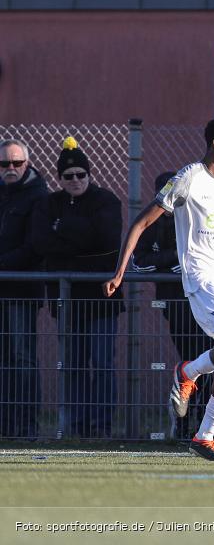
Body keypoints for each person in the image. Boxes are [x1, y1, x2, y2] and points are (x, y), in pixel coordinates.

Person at [103, 116, 214, 462]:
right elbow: (142, 222)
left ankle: (204, 437)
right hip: (202, 276)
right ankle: (187, 372)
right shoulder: (188, 178)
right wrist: (120, 272)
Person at [31, 137, 123, 438]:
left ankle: (101, 426)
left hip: (102, 298)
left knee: (103, 363)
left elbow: (107, 240)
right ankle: (77, 426)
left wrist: (64, 229)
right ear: (60, 179)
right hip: (66, 299)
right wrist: (82, 235)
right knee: (73, 364)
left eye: (81, 174)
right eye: (68, 176)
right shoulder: (49, 204)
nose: (75, 180)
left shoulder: (106, 200)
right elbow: (41, 242)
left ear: (89, 174)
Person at [132, 171, 211, 442]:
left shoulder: (195, 219)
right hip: (175, 305)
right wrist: (174, 258)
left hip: (205, 302)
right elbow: (139, 262)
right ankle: (183, 421)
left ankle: (205, 423)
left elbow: (202, 257)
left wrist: (181, 263)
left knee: (209, 362)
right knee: (188, 361)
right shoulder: (152, 222)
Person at [0, 139, 48, 438]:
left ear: (27, 164)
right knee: (4, 361)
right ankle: (5, 426)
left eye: (16, 163)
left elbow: (35, 245)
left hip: (21, 291)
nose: (11, 168)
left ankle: (27, 427)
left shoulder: (38, 195)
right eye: (4, 164)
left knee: (22, 358)